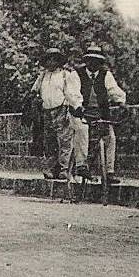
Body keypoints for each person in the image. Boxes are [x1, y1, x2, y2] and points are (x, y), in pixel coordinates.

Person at [72, 45, 127, 184]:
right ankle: (81, 165)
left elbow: (113, 90)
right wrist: (78, 106)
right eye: (90, 60)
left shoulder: (105, 74)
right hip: (81, 112)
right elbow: (73, 93)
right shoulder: (76, 74)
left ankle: (109, 172)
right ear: (86, 60)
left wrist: (121, 102)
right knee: (81, 130)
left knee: (110, 136)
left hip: (99, 112)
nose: (93, 64)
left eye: (97, 61)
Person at [31, 48, 84, 181]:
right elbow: (34, 90)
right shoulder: (43, 76)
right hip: (46, 111)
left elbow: (72, 93)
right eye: (49, 59)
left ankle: (64, 168)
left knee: (64, 140)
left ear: (59, 61)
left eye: (54, 59)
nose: (51, 62)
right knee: (50, 141)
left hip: (61, 109)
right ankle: (52, 168)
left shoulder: (66, 75)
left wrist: (76, 106)